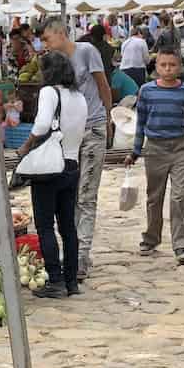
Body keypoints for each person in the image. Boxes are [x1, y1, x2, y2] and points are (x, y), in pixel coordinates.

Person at [40, 17, 111, 282]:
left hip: (92, 128)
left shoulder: (87, 52)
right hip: (68, 136)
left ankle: (82, 254)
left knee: (86, 195)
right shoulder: (55, 61)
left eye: (47, 38)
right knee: (70, 194)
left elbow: (103, 84)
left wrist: (108, 116)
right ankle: (76, 250)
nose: (44, 44)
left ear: (60, 33)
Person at [13, 51, 86, 299]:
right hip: (72, 165)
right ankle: (71, 280)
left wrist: (26, 146)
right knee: (68, 227)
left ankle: (55, 280)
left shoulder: (49, 92)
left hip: (48, 169)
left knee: (45, 225)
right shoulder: (78, 96)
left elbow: (43, 124)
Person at [131, 48, 184, 265]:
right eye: (163, 65)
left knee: (180, 196)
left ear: (180, 68)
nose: (168, 69)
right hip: (154, 149)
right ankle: (151, 238)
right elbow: (140, 123)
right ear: (156, 67)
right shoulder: (146, 91)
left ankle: (181, 245)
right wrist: (135, 150)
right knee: (154, 197)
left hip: (181, 148)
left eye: (172, 65)